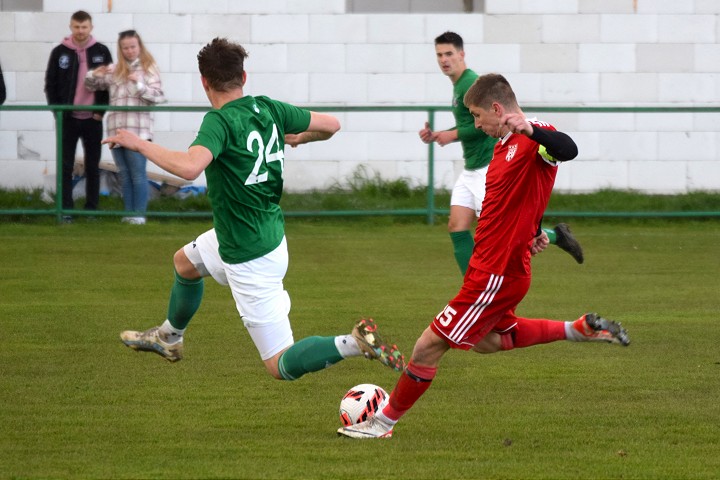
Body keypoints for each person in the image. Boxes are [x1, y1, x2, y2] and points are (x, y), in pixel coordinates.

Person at [338, 73, 630, 439]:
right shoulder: (502, 143)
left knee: (428, 345)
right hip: (493, 265)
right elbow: (525, 193)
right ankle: (577, 329)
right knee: (489, 341)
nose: (476, 124)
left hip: (496, 273)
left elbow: (567, 150)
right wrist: (534, 231)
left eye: (477, 116)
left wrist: (531, 130)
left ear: (496, 108)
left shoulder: (532, 136)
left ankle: (382, 424)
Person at [102, 38, 405, 380]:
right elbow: (331, 125)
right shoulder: (270, 108)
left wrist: (138, 143)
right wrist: (298, 138)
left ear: (204, 82)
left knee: (279, 365)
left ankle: (353, 343)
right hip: (261, 234)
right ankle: (168, 338)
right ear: (243, 77)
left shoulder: (219, 121)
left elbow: (190, 168)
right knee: (185, 263)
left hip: (247, 254)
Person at [419, 31, 584, 274]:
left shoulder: (471, 84)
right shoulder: (459, 87)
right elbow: (474, 125)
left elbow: (566, 149)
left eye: (449, 54)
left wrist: (449, 135)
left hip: (489, 166)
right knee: (457, 225)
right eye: (439, 55)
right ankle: (475, 288)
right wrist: (442, 134)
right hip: (474, 166)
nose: (444, 60)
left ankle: (482, 289)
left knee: (498, 231)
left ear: (461, 54)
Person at [85, 29, 166, 225]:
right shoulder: (115, 69)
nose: (129, 51)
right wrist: (94, 73)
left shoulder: (148, 68)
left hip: (138, 131)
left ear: (139, 46)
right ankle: (128, 214)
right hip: (116, 130)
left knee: (138, 173)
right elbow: (91, 84)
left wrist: (139, 84)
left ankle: (139, 215)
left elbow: (158, 96)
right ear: (120, 49)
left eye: (132, 47)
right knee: (124, 174)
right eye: (125, 48)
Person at [44, 10, 112, 220]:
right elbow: (50, 85)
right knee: (65, 166)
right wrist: (59, 113)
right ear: (71, 27)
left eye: (84, 27)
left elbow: (109, 84)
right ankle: (65, 210)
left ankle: (91, 209)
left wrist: (100, 112)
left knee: (93, 166)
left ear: (91, 27)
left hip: (93, 119)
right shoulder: (59, 52)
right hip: (68, 118)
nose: (80, 31)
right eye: (76, 27)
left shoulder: (101, 51)